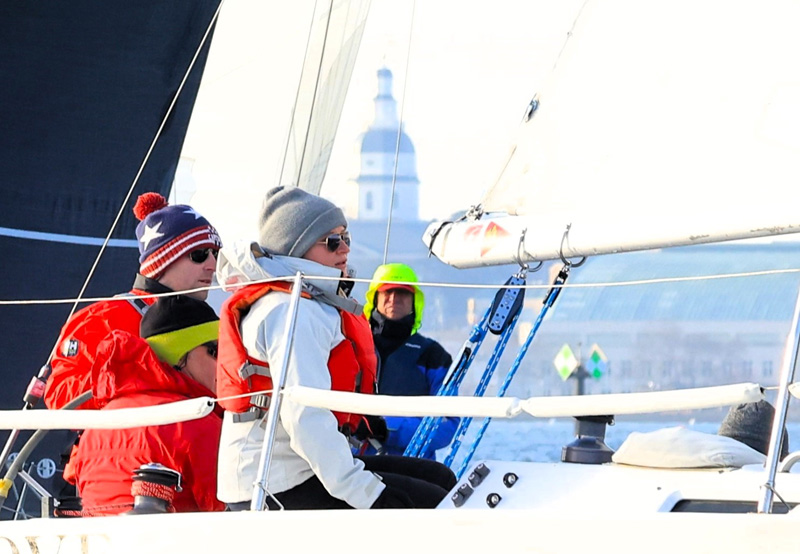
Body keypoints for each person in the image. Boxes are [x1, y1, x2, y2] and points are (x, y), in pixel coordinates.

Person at [215, 186, 456, 510]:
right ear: (297, 249)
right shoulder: (292, 311)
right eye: (332, 241)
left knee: (438, 478)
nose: (344, 248)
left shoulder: (305, 303)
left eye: (346, 238)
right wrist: (367, 493)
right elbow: (305, 418)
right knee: (428, 501)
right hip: (275, 480)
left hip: (296, 466)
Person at [45, 191, 222, 411]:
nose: (212, 265)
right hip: (125, 442)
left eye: (216, 254)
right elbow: (60, 396)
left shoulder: (211, 322)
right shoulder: (101, 318)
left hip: (200, 439)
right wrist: (138, 372)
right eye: (200, 254)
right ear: (164, 259)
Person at [70, 295, 225, 515]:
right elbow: (226, 514)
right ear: (180, 356)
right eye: (215, 351)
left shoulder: (96, 425)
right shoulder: (200, 423)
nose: (224, 364)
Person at [362, 263, 458, 458]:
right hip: (354, 467)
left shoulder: (433, 356)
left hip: (412, 467)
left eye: (402, 293)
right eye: (387, 292)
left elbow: (447, 425)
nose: (393, 299)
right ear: (375, 298)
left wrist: (387, 428)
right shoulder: (351, 347)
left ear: (414, 301)